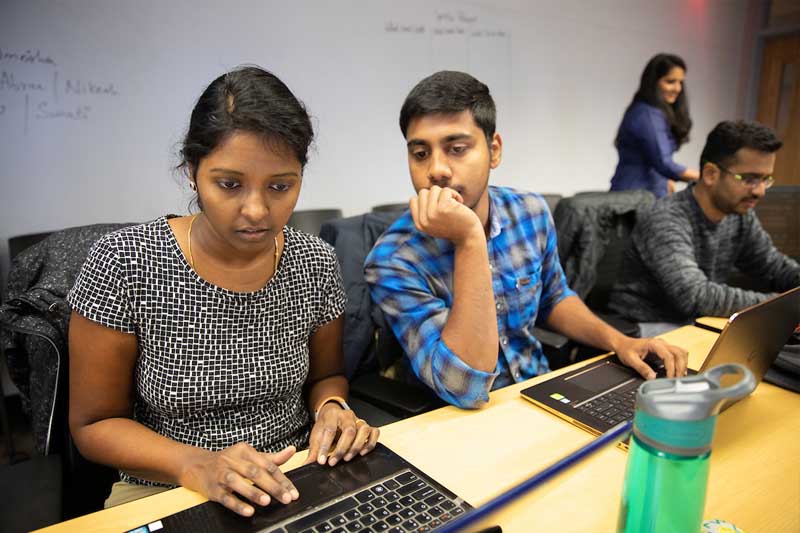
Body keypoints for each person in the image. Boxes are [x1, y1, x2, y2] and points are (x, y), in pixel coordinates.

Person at [67, 66, 379, 517]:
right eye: (229, 184)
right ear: (193, 171)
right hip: (170, 486)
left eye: (280, 186)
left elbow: (325, 377)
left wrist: (332, 407)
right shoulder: (124, 263)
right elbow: (94, 424)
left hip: (294, 475)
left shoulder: (314, 262)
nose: (256, 210)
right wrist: (198, 465)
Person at [364, 71, 688, 409]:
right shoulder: (393, 259)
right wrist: (471, 240)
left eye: (457, 149)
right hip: (454, 422)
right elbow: (465, 387)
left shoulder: (530, 212)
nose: (437, 169)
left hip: (540, 393)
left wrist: (619, 341)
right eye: (420, 154)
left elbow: (554, 297)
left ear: (494, 151)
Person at [609, 120, 799, 335]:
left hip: (693, 324)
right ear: (710, 174)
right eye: (750, 179)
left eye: (766, 179)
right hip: (643, 329)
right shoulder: (666, 218)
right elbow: (695, 296)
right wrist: (779, 305)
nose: (760, 191)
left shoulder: (739, 216)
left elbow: (774, 266)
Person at [609, 53, 699, 198]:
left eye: (680, 82)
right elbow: (663, 163)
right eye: (670, 81)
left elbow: (655, 162)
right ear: (653, 82)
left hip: (646, 196)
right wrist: (707, 178)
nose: (677, 88)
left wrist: (665, 181)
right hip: (633, 200)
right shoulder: (647, 114)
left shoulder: (652, 112)